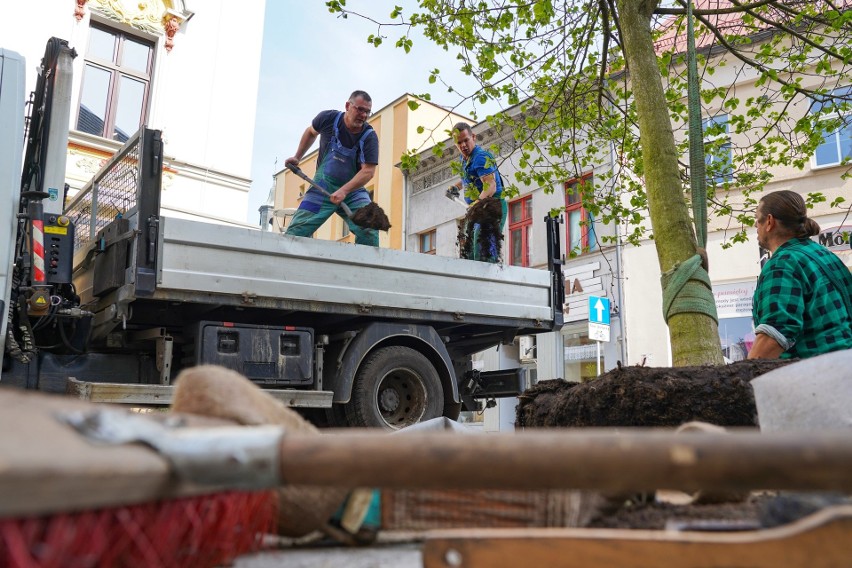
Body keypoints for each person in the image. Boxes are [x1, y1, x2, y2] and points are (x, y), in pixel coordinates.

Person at [748, 190, 852, 359]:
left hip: (817, 375)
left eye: (757, 220)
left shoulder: (783, 264)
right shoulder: (823, 254)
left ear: (769, 222)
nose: (755, 226)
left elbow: (774, 335)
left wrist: (742, 379)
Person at [284, 91, 379, 246]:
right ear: (348, 106)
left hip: (353, 192)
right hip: (322, 187)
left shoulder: (369, 136)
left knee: (369, 228)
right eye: (360, 109)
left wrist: (344, 191)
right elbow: (310, 132)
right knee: (297, 230)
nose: (363, 115)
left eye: (367, 112)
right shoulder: (328, 119)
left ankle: (362, 268)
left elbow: (368, 171)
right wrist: (297, 157)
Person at [448, 122, 507, 263]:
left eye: (466, 140)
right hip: (479, 209)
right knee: (471, 252)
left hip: (492, 209)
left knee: (483, 250)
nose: (463, 145)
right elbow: (469, 179)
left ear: (473, 137)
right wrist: (456, 188)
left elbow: (490, 185)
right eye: (459, 142)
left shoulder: (480, 157)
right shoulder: (464, 158)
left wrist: (477, 203)